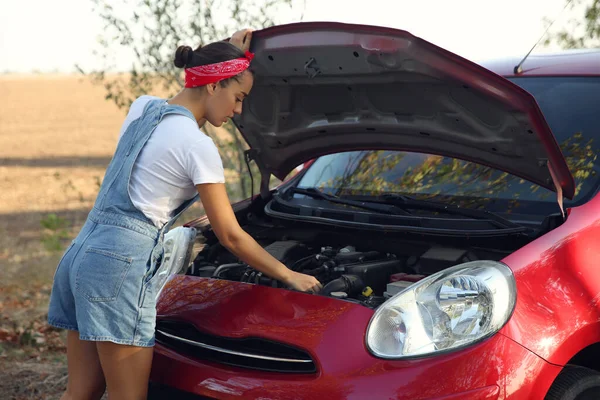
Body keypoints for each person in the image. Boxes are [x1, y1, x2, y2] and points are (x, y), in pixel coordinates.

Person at [47, 28, 323, 400]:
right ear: (214, 86)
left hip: (81, 255)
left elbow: (203, 76)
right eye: (239, 97)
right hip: (118, 267)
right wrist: (289, 274)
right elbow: (230, 235)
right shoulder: (198, 146)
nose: (238, 110)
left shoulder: (143, 107)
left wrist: (230, 55)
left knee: (81, 392)